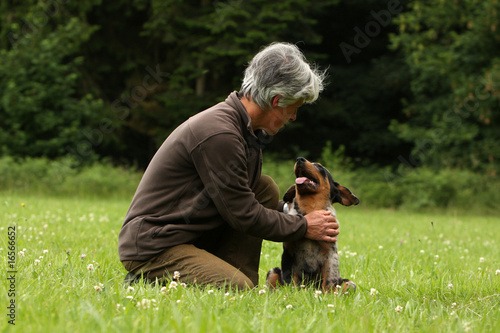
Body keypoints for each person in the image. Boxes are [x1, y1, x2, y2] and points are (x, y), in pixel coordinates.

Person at [118, 42, 340, 290]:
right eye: (294, 108)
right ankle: (145, 278)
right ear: (277, 100)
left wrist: (299, 212)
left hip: (189, 235)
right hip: (156, 246)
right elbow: (243, 214)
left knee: (264, 188)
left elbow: (242, 200)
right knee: (237, 288)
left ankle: (236, 276)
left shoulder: (245, 130)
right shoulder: (220, 134)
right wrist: (304, 226)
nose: (294, 117)